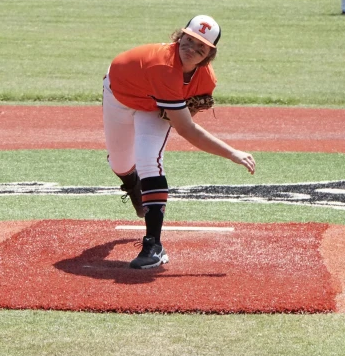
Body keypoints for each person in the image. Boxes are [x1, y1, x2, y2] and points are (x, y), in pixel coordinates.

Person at [102, 15, 256, 269]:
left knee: (149, 160)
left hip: (153, 105)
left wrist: (179, 111)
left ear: (210, 54)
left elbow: (183, 120)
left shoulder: (205, 80)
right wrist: (231, 153)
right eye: (189, 39)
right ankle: (132, 184)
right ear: (180, 36)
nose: (192, 48)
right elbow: (186, 129)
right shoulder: (162, 65)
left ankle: (153, 245)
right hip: (119, 95)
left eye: (201, 47)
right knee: (120, 163)